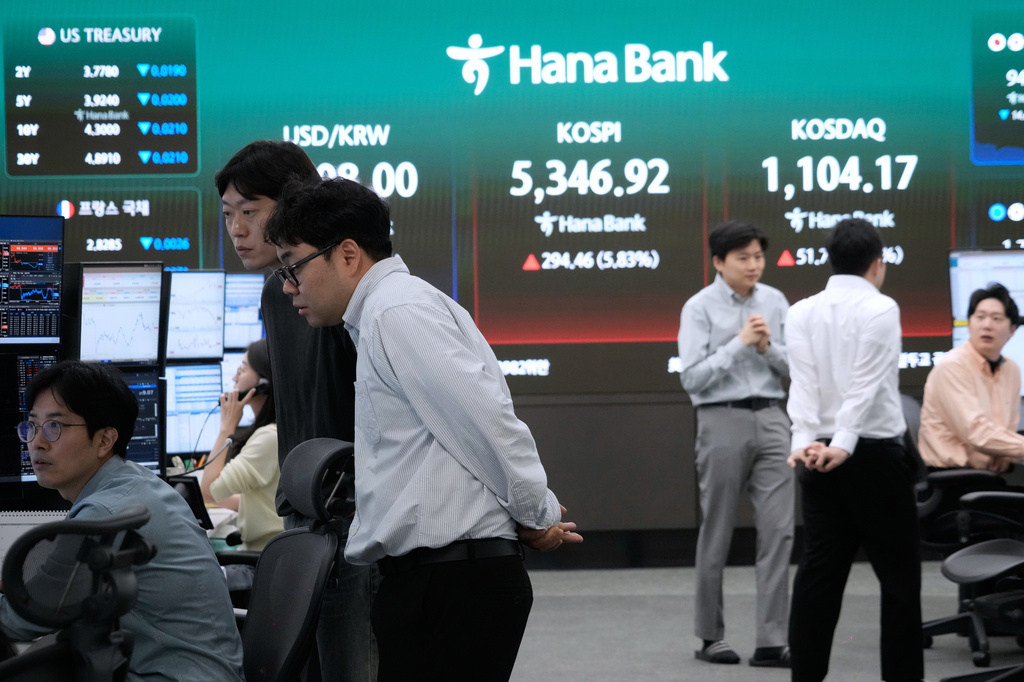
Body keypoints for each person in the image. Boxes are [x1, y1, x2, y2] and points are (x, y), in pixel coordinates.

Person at [263, 176, 583, 682]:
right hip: (436, 581)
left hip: (453, 583)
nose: (286, 286)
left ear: (347, 254)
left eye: (293, 265)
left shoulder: (399, 312)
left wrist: (536, 512)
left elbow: (487, 424)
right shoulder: (385, 312)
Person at [215, 140, 378, 682]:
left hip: (356, 514)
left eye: (250, 212)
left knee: (348, 665)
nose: (236, 229)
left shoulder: (348, 292)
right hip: (302, 508)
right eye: (227, 215)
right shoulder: (273, 294)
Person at [0, 361, 244, 681]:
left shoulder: (103, 512)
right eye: (32, 426)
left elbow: (21, 618)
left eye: (54, 427)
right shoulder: (135, 484)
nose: (37, 442)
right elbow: (45, 592)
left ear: (104, 440)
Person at [786, 218, 923, 682]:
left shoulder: (801, 310)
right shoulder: (881, 308)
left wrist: (804, 442)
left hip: (819, 455)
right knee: (899, 581)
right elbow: (864, 387)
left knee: (818, 576)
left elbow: (803, 388)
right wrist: (841, 444)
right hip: (874, 455)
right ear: (877, 264)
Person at [677, 220, 793, 667]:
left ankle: (771, 640)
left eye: (758, 256)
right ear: (719, 262)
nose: (753, 265)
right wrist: (740, 344)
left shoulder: (776, 301)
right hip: (720, 419)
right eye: (743, 258)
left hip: (772, 416)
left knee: (780, 532)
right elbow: (692, 377)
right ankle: (710, 636)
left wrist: (767, 349)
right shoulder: (699, 308)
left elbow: (795, 367)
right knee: (718, 529)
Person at [919, 283, 1024, 471]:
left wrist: (1004, 453)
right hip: (952, 479)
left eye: (997, 318)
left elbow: (1006, 433)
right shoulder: (953, 365)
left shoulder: (1012, 370)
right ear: (969, 323)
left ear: (1012, 330)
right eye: (980, 317)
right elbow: (977, 434)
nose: (987, 325)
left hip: (989, 476)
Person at [199, 338, 284, 551]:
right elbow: (262, 501)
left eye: (242, 369)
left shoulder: (268, 438)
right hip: (271, 553)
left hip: (261, 560)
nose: (234, 377)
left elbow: (209, 492)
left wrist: (226, 428)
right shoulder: (279, 430)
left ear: (263, 383)